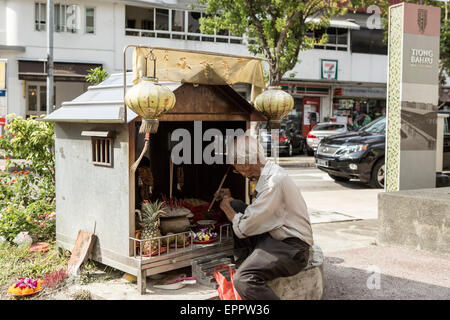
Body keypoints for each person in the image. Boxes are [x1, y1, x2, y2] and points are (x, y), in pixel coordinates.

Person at [217, 135, 313, 300]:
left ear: (245, 164)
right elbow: (256, 213)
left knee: (243, 280)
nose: (238, 172)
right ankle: (245, 262)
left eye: (236, 167)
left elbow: (245, 227)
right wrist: (231, 203)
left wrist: (227, 210)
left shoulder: (273, 182)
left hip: (292, 249)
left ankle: (246, 270)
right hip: (277, 238)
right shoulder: (268, 173)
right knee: (237, 205)